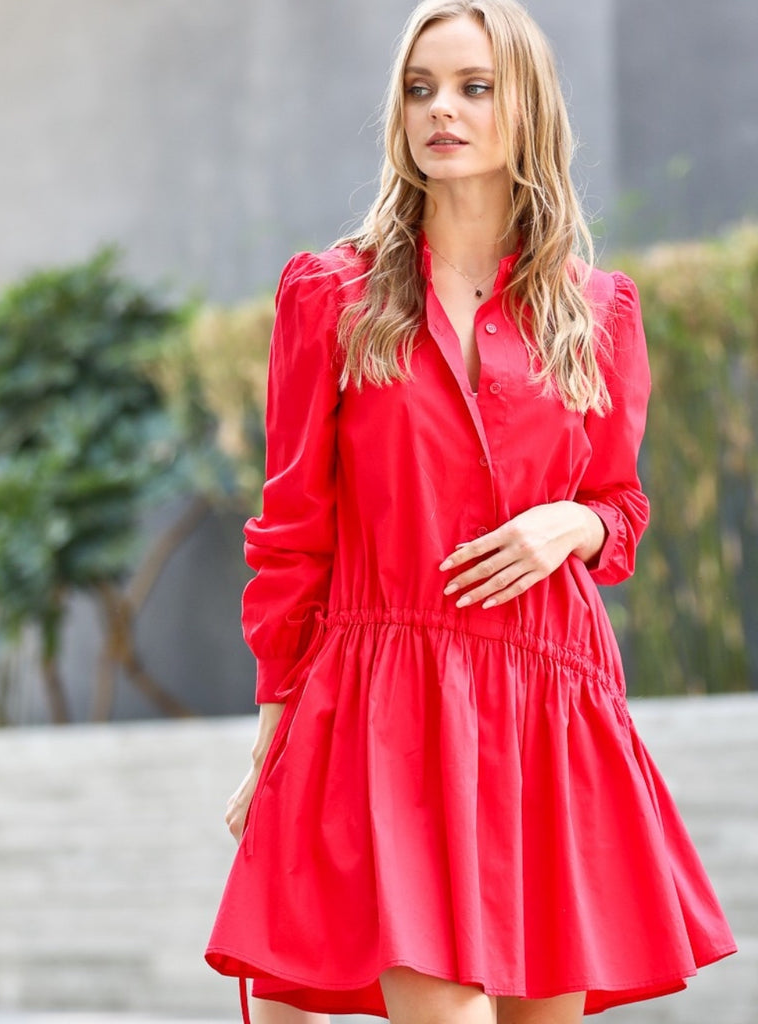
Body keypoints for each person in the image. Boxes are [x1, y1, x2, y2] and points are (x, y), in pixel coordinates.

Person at [206, 2, 737, 1022]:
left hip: (550, 700)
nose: (440, 110)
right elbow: (289, 530)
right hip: (387, 694)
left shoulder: (600, 312)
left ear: (525, 107)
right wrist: (277, 733)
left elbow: (619, 509)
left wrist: (571, 525)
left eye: (472, 86)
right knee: (438, 1004)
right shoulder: (329, 296)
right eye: (419, 88)